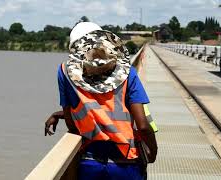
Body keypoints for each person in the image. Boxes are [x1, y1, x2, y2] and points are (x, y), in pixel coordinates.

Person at [45, 22, 158, 180]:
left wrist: (61, 115)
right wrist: (153, 152)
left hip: (89, 163)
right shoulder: (128, 73)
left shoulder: (64, 72)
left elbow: (73, 123)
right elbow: (143, 125)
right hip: (126, 162)